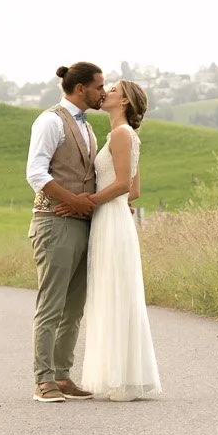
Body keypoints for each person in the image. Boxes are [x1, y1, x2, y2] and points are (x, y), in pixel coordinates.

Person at [25, 62, 105, 401]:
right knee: (51, 304)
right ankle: (43, 380)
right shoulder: (50, 121)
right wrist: (72, 200)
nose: (103, 93)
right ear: (80, 88)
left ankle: (62, 376)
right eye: (99, 87)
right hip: (53, 222)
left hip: (84, 224)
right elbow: (36, 173)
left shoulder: (88, 127)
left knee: (74, 308)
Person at [80, 79, 162, 401]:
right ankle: (125, 376)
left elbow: (125, 185)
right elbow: (135, 190)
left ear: (125, 101)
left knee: (113, 291)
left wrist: (89, 201)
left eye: (113, 90)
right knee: (117, 291)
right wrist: (111, 201)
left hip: (111, 220)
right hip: (115, 218)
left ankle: (120, 377)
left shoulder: (120, 134)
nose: (106, 93)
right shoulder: (125, 135)